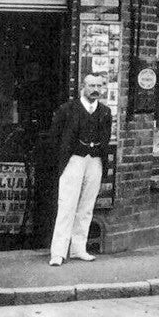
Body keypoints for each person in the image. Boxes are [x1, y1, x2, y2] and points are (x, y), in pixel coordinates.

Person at [48, 72, 111, 266]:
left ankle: (78, 249)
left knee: (86, 206)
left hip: (95, 161)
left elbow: (105, 138)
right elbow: (55, 137)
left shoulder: (105, 112)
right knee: (67, 205)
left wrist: (100, 158)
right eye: (91, 85)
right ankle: (58, 252)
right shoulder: (68, 109)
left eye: (99, 86)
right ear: (82, 87)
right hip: (74, 160)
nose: (95, 90)